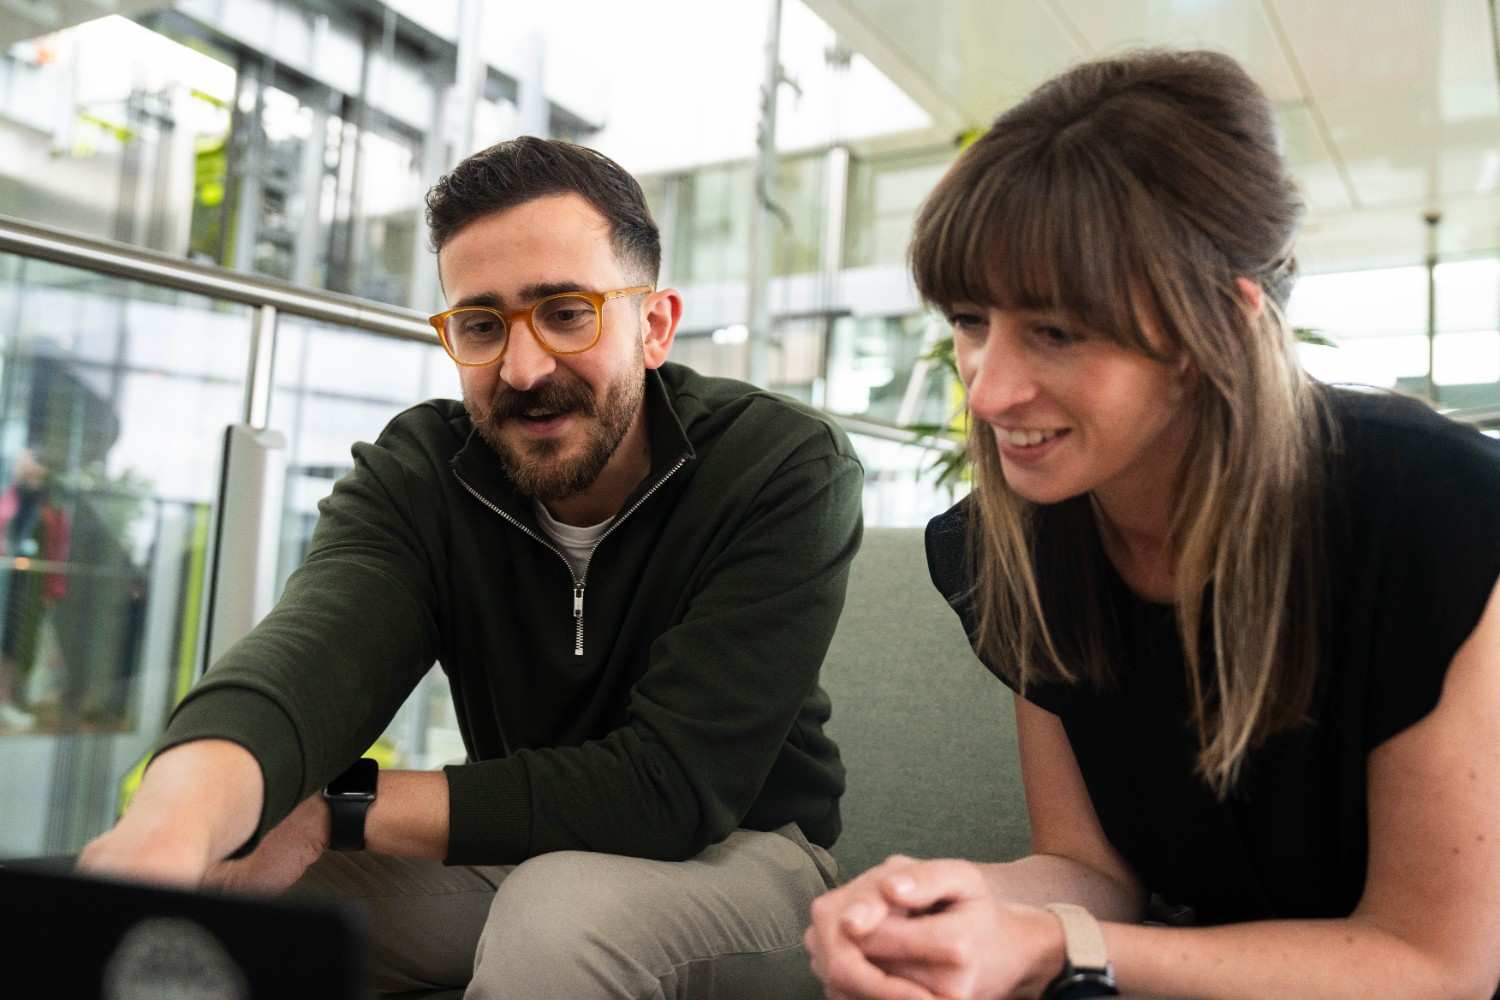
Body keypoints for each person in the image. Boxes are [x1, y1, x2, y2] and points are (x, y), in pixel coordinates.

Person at [79, 137, 864, 999]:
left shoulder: (781, 463)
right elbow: (313, 657)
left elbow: (672, 787)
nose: (524, 370)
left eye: (567, 312)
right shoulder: (425, 469)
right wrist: (166, 831)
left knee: (559, 915)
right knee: (230, 914)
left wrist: (333, 808)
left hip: (747, 856)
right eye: (482, 326)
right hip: (521, 849)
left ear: (655, 326)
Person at [805, 49, 1500, 1000]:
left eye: (1055, 331)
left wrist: (1057, 946)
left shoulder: (1436, 512)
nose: (990, 388)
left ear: (1219, 323)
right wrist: (949, 902)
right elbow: (1094, 875)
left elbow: (1438, 965)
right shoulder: (1014, 539)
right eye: (972, 320)